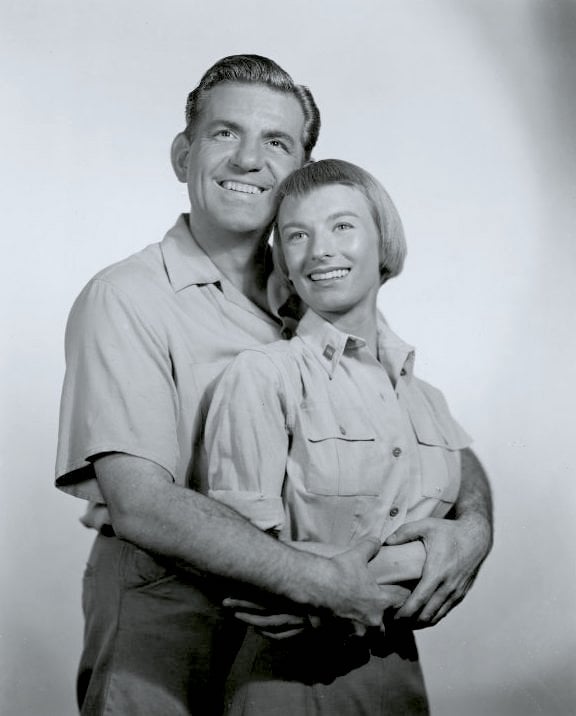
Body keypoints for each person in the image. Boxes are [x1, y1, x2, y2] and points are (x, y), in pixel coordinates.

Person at [55, 55, 492, 715]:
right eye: (225, 133)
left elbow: (425, 427)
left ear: (301, 174)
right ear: (183, 155)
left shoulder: (320, 287)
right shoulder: (128, 296)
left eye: (277, 142)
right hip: (169, 619)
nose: (248, 159)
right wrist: (318, 583)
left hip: (317, 630)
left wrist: (474, 530)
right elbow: (141, 503)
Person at [204, 158, 482, 714]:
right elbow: (246, 567)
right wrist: (428, 557)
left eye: (342, 226)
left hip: (397, 674)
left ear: (384, 244)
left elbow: (461, 519)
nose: (320, 250)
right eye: (297, 235)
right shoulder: (265, 376)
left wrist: (472, 531)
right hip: (289, 681)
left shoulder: (426, 398)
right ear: (284, 262)